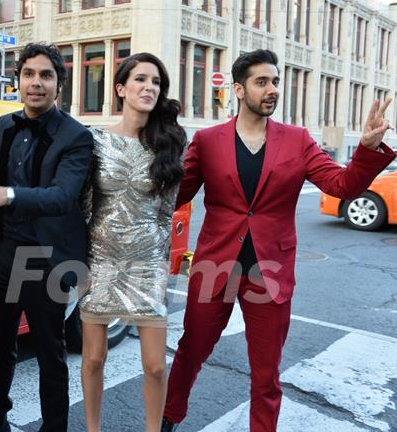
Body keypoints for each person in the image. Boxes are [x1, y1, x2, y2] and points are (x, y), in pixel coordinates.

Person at [161, 49, 395, 432]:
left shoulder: (298, 140)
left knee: (266, 375)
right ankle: (169, 418)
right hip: (215, 266)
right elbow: (175, 197)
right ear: (238, 89)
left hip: (269, 274)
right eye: (261, 82)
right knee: (190, 352)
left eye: (275, 82)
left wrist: (367, 150)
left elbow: (343, 185)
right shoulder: (208, 141)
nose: (272, 90)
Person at [0, 42, 93, 432]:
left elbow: (63, 197)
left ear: (58, 85)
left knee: (51, 354)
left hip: (50, 258)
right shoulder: (5, 124)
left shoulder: (76, 137)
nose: (36, 83)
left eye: (46, 75)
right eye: (29, 74)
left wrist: (7, 194)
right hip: (7, 251)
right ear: (17, 81)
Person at [79, 53, 185, 432]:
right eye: (140, 79)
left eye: (156, 82)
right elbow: (84, 206)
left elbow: (165, 212)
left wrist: (159, 265)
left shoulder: (169, 143)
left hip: (147, 263)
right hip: (102, 262)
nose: (149, 87)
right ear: (121, 89)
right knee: (93, 358)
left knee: (156, 366)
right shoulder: (95, 140)